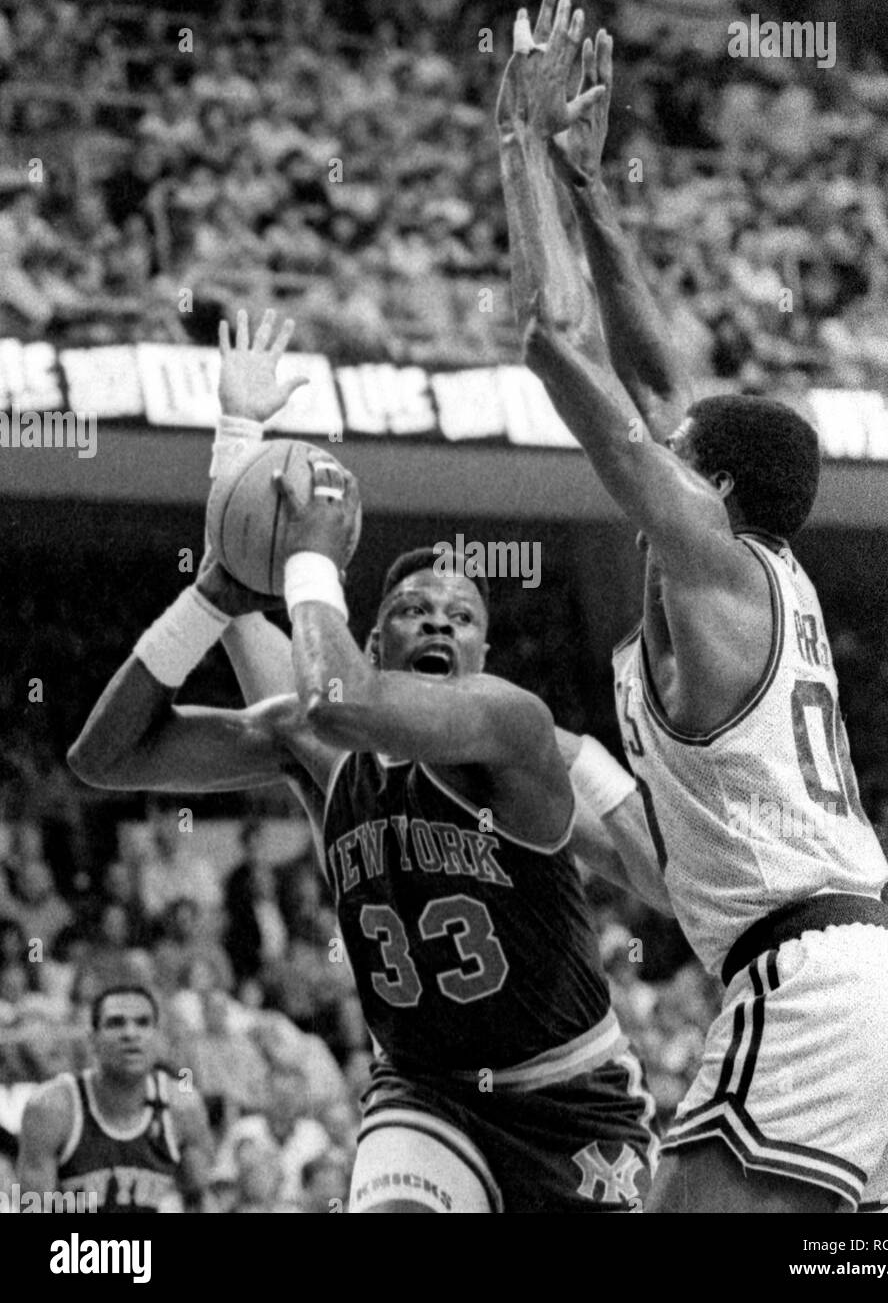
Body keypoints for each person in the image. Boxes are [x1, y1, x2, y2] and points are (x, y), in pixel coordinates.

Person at [495, 0, 888, 1213]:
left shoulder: (708, 561)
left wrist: (519, 149)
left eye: (675, 445)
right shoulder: (757, 570)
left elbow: (551, 338)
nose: (658, 430)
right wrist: (591, 189)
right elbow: (660, 376)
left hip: (809, 986)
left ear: (706, 481)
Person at [67, 309, 668, 1213]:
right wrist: (233, 459)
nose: (438, 620)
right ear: (373, 636)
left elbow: (333, 688)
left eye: (462, 615)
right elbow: (106, 758)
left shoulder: (508, 726)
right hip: (422, 1094)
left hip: (569, 1094)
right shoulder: (316, 740)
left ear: (483, 654)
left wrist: (307, 553)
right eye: (416, 608)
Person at [17, 984, 213, 1212]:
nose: (130, 1034)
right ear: (92, 1040)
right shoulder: (52, 1108)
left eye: (143, 1023)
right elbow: (32, 1209)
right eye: (116, 1023)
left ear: (158, 1038)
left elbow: (198, 1199)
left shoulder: (183, 1107)